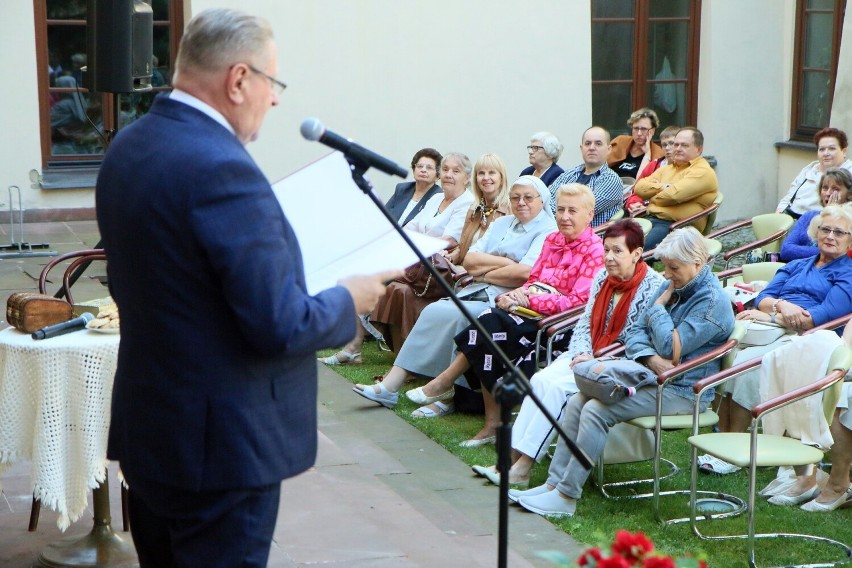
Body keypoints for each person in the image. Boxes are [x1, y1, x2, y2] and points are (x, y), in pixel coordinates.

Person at [96, 9, 394, 566]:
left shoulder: (129, 147)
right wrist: (348, 299)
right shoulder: (222, 169)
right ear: (238, 80)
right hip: (220, 450)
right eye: (271, 82)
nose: (275, 99)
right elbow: (279, 325)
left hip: (155, 429)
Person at [509, 227, 735, 517]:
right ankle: (553, 485)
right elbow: (636, 332)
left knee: (596, 410)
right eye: (665, 266)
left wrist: (657, 310)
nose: (666, 274)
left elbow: (670, 345)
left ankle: (566, 496)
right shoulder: (675, 286)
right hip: (652, 377)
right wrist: (651, 356)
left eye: (673, 268)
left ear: (698, 264)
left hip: (682, 391)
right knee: (579, 401)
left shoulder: (712, 303)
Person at [402, 183, 605, 442]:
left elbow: (578, 303)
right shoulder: (552, 240)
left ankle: (457, 394)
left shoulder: (595, 251)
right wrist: (516, 295)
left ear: (589, 214)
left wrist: (530, 301)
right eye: (561, 210)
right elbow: (534, 280)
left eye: (572, 211)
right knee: (490, 324)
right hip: (528, 312)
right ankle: (483, 417)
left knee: (490, 327)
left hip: (560, 327)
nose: (565, 216)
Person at [471, 219, 666, 486]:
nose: (609, 257)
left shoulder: (653, 286)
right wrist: (581, 353)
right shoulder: (602, 278)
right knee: (540, 380)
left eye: (617, 251)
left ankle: (522, 469)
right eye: (606, 250)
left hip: (616, 363)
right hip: (587, 354)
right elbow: (585, 323)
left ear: (637, 253)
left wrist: (594, 359)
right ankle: (507, 460)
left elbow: (637, 338)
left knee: (558, 390)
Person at [352, 176, 556, 411]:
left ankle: (447, 396)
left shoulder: (548, 230)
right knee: (434, 311)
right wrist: (505, 262)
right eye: (515, 197)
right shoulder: (502, 223)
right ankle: (391, 385)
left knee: (461, 316)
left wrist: (485, 272)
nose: (521, 202)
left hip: (508, 298)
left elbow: (523, 273)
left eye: (528, 197)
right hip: (477, 288)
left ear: (542, 200)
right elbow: (469, 259)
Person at [700, 204, 852, 474]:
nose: (830, 236)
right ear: (816, 233)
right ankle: (721, 439)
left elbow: (819, 316)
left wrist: (770, 316)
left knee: (749, 367)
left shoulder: (848, 273)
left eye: (840, 232)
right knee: (725, 358)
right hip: (774, 330)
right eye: (825, 229)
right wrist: (782, 305)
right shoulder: (796, 265)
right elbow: (762, 297)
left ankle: (736, 449)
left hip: (812, 341)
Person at [320, 152, 476, 365]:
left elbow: (449, 239)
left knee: (377, 278)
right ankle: (353, 343)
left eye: (455, 171)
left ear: (467, 177)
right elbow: (411, 226)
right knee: (361, 270)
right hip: (415, 258)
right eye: (446, 169)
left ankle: (353, 345)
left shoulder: (466, 202)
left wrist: (415, 242)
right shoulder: (436, 198)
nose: (448, 175)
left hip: (433, 269)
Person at [370, 153, 511, 353]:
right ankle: (400, 357)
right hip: (446, 265)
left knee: (398, 287)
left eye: (492, 173)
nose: (486, 178)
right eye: (482, 173)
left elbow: (454, 242)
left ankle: (410, 358)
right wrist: (451, 257)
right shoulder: (475, 208)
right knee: (396, 289)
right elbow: (460, 246)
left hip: (467, 275)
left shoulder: (505, 210)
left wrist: (452, 258)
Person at [632, 127, 718, 250]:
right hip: (651, 218)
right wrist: (663, 187)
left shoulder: (703, 171)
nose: (677, 149)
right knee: (616, 240)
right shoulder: (668, 168)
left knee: (637, 250)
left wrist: (652, 195)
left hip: (678, 227)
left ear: (699, 149)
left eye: (684, 145)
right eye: (676, 144)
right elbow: (639, 188)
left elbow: (672, 196)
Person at [546, 126, 624, 227]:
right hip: (558, 233)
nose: (591, 148)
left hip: (591, 239)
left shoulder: (612, 180)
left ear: (609, 149)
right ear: (581, 148)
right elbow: (547, 198)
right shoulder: (569, 174)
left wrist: (553, 211)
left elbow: (582, 210)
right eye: (587, 143)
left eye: (598, 143)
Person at [776, 127, 852, 219]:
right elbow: (789, 197)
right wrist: (779, 214)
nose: (826, 153)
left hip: (818, 223)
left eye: (831, 149)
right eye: (822, 149)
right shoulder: (810, 169)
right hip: (788, 218)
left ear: (843, 152)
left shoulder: (849, 174)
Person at [780, 168, 852, 261]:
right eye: (825, 188)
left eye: (835, 189)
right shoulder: (809, 216)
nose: (828, 193)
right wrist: (824, 251)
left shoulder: (849, 222)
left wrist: (832, 212)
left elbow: (842, 254)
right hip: (797, 269)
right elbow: (786, 250)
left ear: (849, 194)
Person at [624, 125, 680, 215]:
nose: (667, 148)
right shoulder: (654, 165)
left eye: (671, 143)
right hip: (642, 211)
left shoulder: (686, 168)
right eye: (664, 145)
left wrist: (647, 208)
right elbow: (636, 191)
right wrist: (634, 204)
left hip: (665, 214)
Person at [384, 147, 444, 226]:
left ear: (438, 175)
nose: (423, 170)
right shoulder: (402, 189)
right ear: (414, 169)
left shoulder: (438, 197)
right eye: (420, 166)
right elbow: (383, 215)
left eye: (429, 168)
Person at [607, 108, 665, 179]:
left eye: (643, 129)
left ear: (652, 131)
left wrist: (647, 154)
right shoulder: (620, 142)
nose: (639, 133)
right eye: (636, 128)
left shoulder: (658, 153)